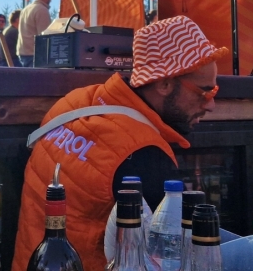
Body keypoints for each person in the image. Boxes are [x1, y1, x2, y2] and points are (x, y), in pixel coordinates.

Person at [11, 15, 226, 271]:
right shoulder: (143, 155)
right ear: (165, 84)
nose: (211, 104)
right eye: (205, 91)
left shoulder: (72, 104)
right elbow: (169, 257)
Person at [17, 0, 54, 67]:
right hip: (35, 53)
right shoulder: (42, 10)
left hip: (23, 52)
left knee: (28, 79)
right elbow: (45, 36)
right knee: (39, 79)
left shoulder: (26, 9)